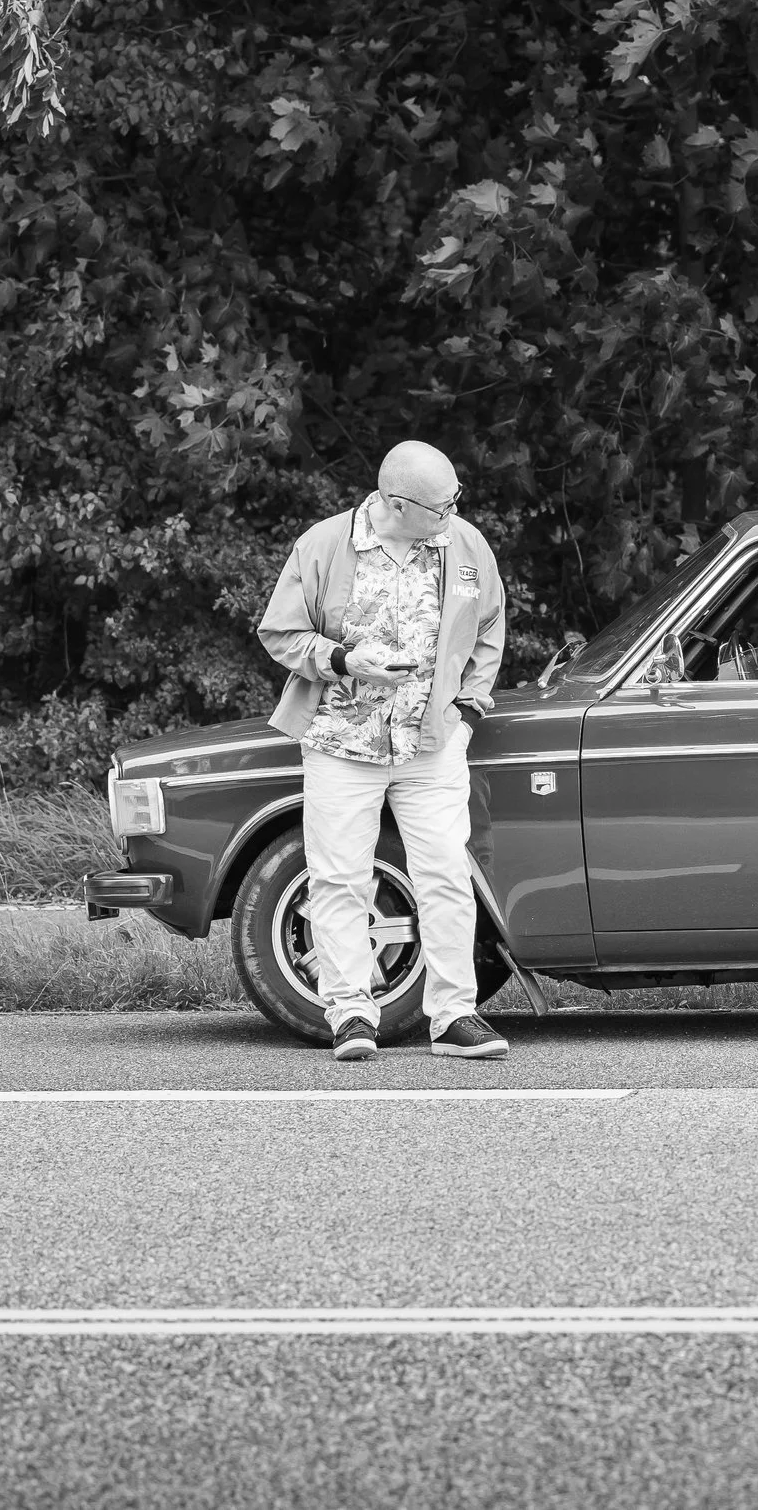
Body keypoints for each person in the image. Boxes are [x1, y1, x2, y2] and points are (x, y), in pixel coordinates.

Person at [257, 441, 509, 1062]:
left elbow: (489, 629)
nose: (454, 513)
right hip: (342, 743)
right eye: (442, 505)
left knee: (447, 875)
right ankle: (350, 1013)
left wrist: (467, 713)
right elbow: (280, 632)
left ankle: (453, 1016)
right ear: (398, 504)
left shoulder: (465, 544)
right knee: (339, 877)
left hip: (432, 743)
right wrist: (344, 660)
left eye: (455, 500)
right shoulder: (323, 545)